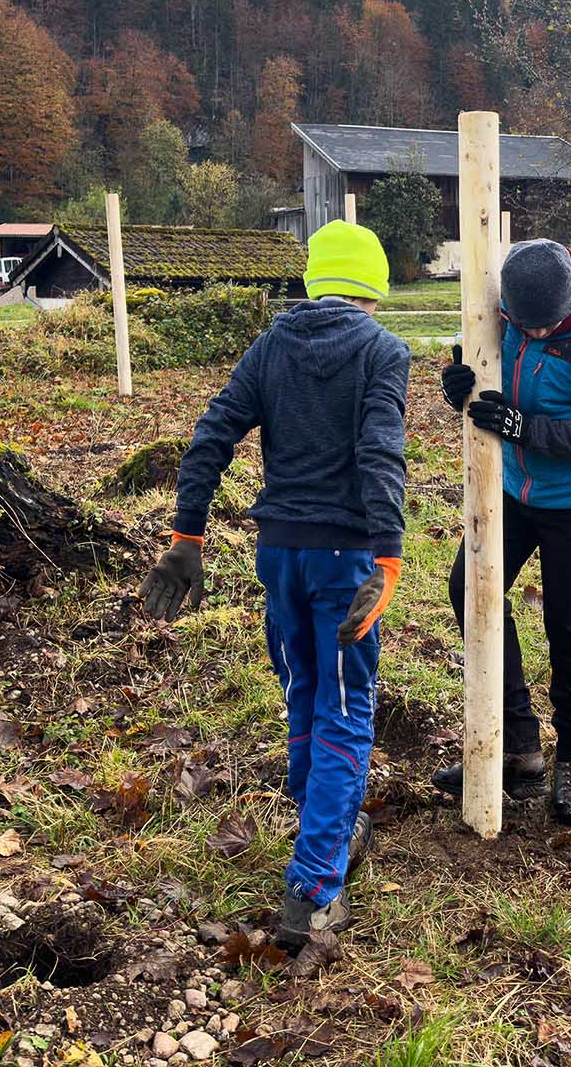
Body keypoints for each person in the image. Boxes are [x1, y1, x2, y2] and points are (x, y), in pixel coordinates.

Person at [140, 220, 409, 950]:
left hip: (279, 555)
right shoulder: (383, 350)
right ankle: (314, 888)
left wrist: (186, 537)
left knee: (303, 692)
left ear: (316, 281)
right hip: (345, 561)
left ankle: (330, 815)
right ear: (374, 290)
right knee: (346, 712)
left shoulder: (272, 344)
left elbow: (210, 435)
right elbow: (380, 451)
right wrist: (386, 556)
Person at [434, 239, 571, 826]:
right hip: (515, 493)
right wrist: (459, 381)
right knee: (470, 588)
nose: (537, 336)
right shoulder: (502, 309)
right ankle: (519, 746)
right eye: (527, 327)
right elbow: (482, 369)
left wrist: (526, 428)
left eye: (547, 328)